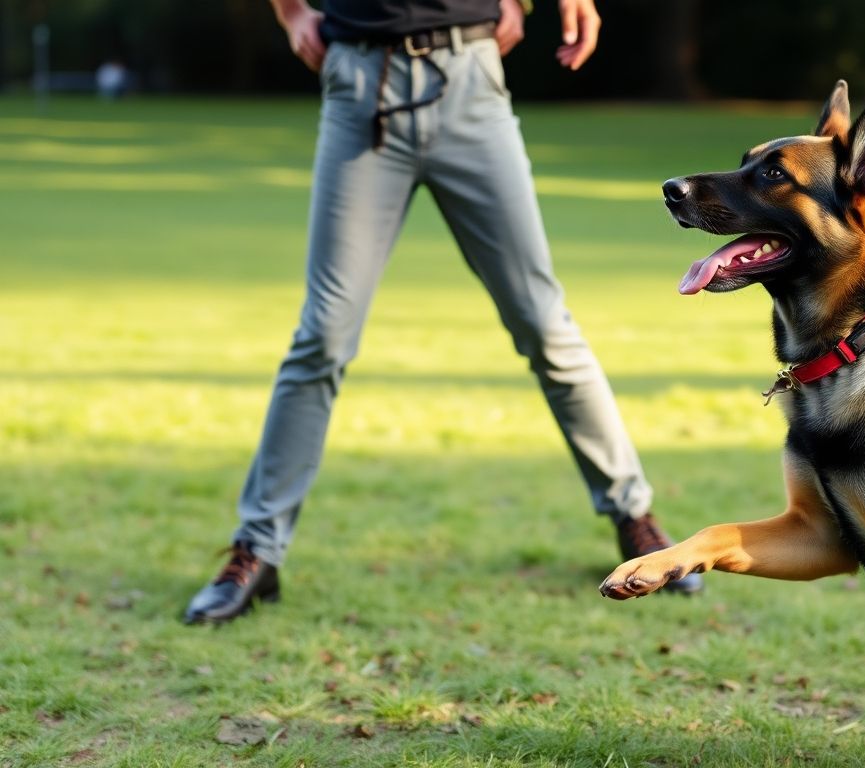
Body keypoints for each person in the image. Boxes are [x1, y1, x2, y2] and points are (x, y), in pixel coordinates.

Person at [184, 0, 702, 624]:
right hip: (360, 86)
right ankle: (256, 553)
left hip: (470, 80)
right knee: (322, 336)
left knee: (543, 323)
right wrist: (293, 12)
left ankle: (634, 517)